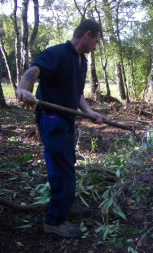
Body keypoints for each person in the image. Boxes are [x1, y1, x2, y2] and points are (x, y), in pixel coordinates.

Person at [16, 19, 105, 238]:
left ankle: (67, 204)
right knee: (61, 167)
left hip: (67, 119)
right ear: (87, 35)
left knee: (68, 163)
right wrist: (22, 89)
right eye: (96, 40)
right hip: (52, 119)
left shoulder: (81, 62)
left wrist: (89, 112)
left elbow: (78, 93)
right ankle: (54, 221)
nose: (96, 46)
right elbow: (34, 71)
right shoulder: (57, 53)